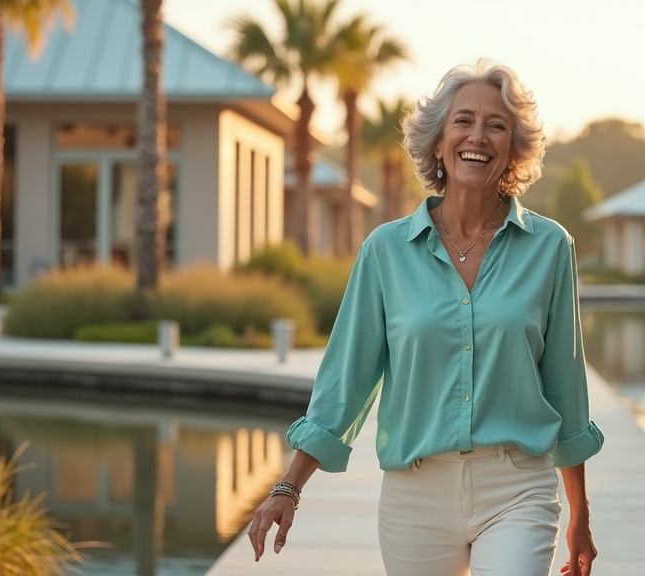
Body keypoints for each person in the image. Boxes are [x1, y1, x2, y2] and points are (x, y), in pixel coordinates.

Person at [247, 59, 605, 576]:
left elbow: (565, 387)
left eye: (496, 125)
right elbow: (346, 380)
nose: (477, 135)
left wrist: (581, 515)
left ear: (512, 149)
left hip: (518, 486)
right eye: (463, 120)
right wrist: (288, 488)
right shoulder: (385, 251)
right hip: (414, 496)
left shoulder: (550, 247)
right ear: (438, 141)